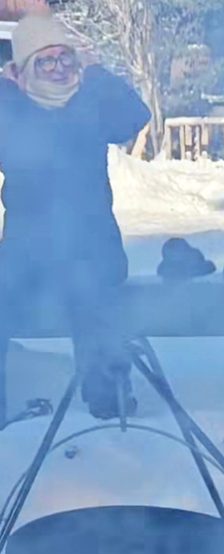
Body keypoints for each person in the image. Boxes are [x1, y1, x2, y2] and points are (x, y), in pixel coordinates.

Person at [0, 12, 150, 426]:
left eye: (65, 57)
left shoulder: (90, 103)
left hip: (92, 246)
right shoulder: (10, 110)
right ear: (24, 70)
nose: (58, 68)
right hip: (25, 253)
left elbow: (135, 116)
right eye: (45, 61)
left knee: (93, 293)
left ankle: (109, 398)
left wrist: (97, 71)